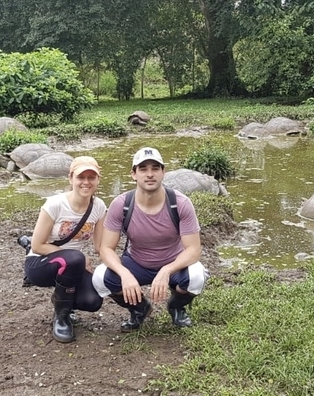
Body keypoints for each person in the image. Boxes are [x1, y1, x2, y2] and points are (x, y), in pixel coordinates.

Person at [92, 147, 208, 332]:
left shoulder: (180, 203)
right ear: (133, 174)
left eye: (155, 168)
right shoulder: (121, 204)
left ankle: (176, 307)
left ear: (163, 172)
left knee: (196, 277)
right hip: (137, 262)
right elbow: (106, 248)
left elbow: (193, 249)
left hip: (174, 262)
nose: (150, 174)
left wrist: (167, 270)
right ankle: (140, 308)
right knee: (100, 278)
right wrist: (124, 273)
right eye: (143, 169)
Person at [24, 156, 107, 343]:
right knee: (75, 258)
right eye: (81, 177)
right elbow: (37, 245)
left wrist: (120, 272)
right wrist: (78, 257)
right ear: (71, 179)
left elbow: (100, 246)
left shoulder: (99, 207)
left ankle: (60, 299)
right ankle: (61, 317)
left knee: (92, 301)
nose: (86, 182)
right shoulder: (55, 204)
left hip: (75, 265)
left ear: (98, 180)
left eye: (91, 177)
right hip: (40, 262)